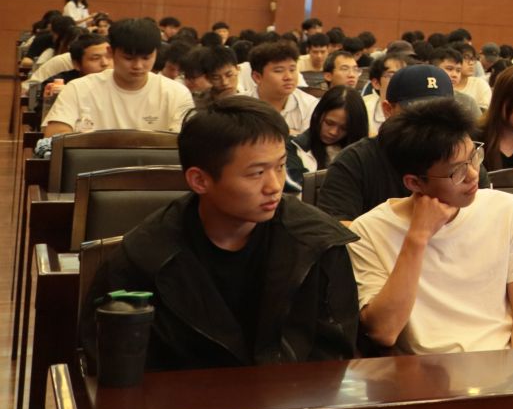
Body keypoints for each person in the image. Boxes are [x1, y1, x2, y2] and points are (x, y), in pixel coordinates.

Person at [81, 97, 357, 372]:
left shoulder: (317, 242)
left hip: (291, 394)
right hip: (184, 397)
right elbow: (112, 361)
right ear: (199, 180)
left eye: (280, 166)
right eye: (257, 173)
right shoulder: (146, 255)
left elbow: (333, 357)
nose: (275, 186)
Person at [347, 98, 513, 354]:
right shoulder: (368, 231)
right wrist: (418, 237)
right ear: (414, 183)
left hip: (502, 362)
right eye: (457, 172)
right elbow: (383, 332)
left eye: (473, 158)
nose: (473, 175)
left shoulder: (507, 209)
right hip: (421, 371)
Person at [318, 65, 478, 225]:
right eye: (420, 114)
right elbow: (337, 229)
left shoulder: (462, 155)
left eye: (442, 114)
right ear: (388, 109)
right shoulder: (355, 161)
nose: (433, 124)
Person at [42, 16, 193, 136]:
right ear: (110, 52)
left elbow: (184, 143)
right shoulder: (79, 88)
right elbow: (55, 135)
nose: (138, 66)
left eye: (146, 58)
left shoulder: (176, 93)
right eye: (128, 58)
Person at [247, 39, 319, 137]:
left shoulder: (310, 105)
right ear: (257, 77)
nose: (288, 77)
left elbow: (310, 143)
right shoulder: (238, 107)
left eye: (292, 69)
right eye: (279, 71)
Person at [295, 86, 367, 170]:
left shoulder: (363, 154)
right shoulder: (296, 148)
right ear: (317, 115)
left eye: (344, 128)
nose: (333, 132)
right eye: (329, 123)